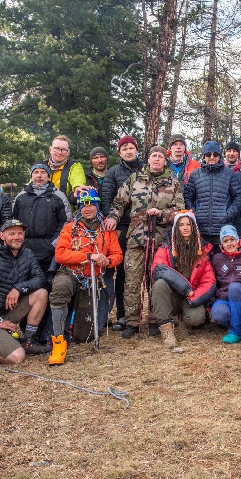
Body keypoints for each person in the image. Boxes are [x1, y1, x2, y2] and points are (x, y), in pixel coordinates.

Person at [107, 146, 185, 338]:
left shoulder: (173, 182)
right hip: (136, 238)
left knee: (156, 282)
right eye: (153, 156)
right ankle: (132, 322)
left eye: (160, 156)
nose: (156, 159)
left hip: (160, 241)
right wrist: (113, 217)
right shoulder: (135, 178)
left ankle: (155, 321)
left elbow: (180, 210)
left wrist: (163, 214)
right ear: (148, 159)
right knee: (132, 281)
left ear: (164, 160)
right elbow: (119, 201)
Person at [48, 190, 123, 365]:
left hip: (95, 278)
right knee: (60, 288)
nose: (88, 208)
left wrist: (107, 261)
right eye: (84, 205)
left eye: (91, 204)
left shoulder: (106, 229)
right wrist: (88, 257)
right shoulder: (70, 228)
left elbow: (117, 255)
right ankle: (58, 341)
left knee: (83, 336)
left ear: (96, 206)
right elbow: (60, 254)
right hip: (72, 272)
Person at [0, 219, 50, 363]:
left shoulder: (27, 254)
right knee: (17, 358)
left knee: (41, 293)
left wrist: (18, 288)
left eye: (20, 233)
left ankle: (28, 341)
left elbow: (40, 278)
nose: (16, 237)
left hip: (7, 312)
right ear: (2, 236)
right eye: (11, 233)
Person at [150, 211, 215, 347]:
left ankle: (184, 322)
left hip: (190, 297)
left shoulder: (202, 250)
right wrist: (184, 288)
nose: (185, 228)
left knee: (197, 318)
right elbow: (159, 268)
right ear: (176, 228)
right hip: (172, 295)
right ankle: (166, 329)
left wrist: (193, 297)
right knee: (160, 284)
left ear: (193, 227)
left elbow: (209, 281)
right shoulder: (166, 247)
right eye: (181, 225)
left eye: (188, 224)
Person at [101, 135, 143, 331]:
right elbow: (107, 198)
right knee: (124, 273)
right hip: (121, 227)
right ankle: (123, 315)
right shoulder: (113, 173)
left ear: (137, 150)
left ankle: (145, 314)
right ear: (119, 152)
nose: (128, 151)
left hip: (143, 226)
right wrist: (113, 223)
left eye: (131, 148)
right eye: (124, 148)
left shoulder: (145, 169)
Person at [184, 140, 241, 253]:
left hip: (222, 229)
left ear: (220, 156)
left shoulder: (229, 174)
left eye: (215, 154)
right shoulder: (196, 175)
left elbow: (238, 196)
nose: (212, 157)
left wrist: (228, 214)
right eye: (208, 154)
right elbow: (188, 196)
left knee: (221, 264)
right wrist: (194, 213)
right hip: (200, 228)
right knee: (202, 264)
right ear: (204, 156)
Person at [11, 163, 71, 273]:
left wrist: (54, 243)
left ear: (48, 176)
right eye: (36, 172)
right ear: (31, 176)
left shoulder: (58, 196)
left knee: (46, 285)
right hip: (24, 249)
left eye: (43, 172)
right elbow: (13, 221)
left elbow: (66, 222)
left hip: (49, 251)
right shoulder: (21, 197)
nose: (39, 175)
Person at [210, 225, 241, 343]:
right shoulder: (216, 258)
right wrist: (219, 293)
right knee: (218, 314)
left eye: (232, 239)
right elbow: (212, 280)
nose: (229, 244)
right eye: (225, 241)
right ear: (221, 244)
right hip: (224, 296)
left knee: (235, 287)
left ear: (237, 240)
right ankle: (237, 321)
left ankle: (236, 331)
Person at [47, 135, 87, 206]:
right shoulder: (41, 167)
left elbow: (77, 178)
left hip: (64, 212)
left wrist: (77, 187)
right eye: (56, 148)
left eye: (64, 150)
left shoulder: (74, 166)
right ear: (50, 149)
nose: (60, 152)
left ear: (68, 152)